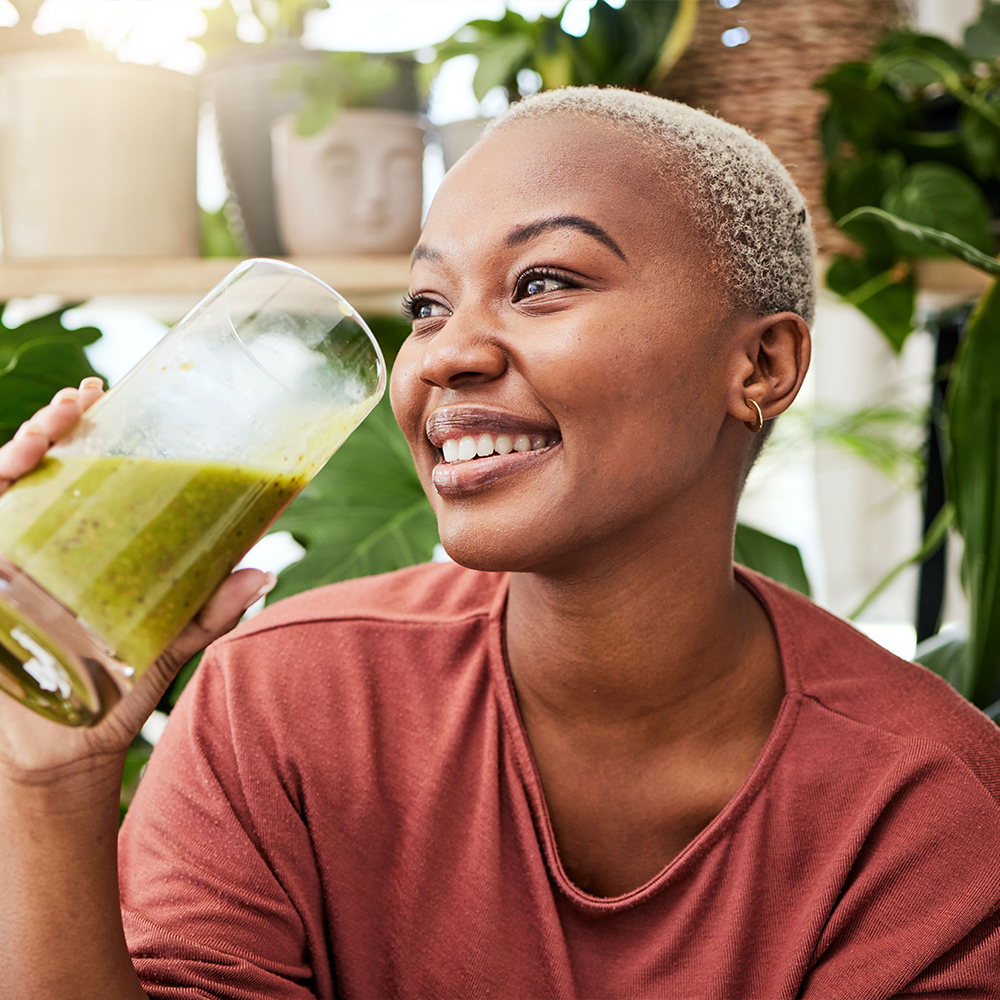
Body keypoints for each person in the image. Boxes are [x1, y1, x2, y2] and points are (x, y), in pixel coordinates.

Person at [1, 86, 999, 1000]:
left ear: (762, 364)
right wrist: (49, 781)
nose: (447, 354)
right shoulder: (282, 701)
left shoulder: (927, 807)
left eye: (543, 281)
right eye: (428, 305)